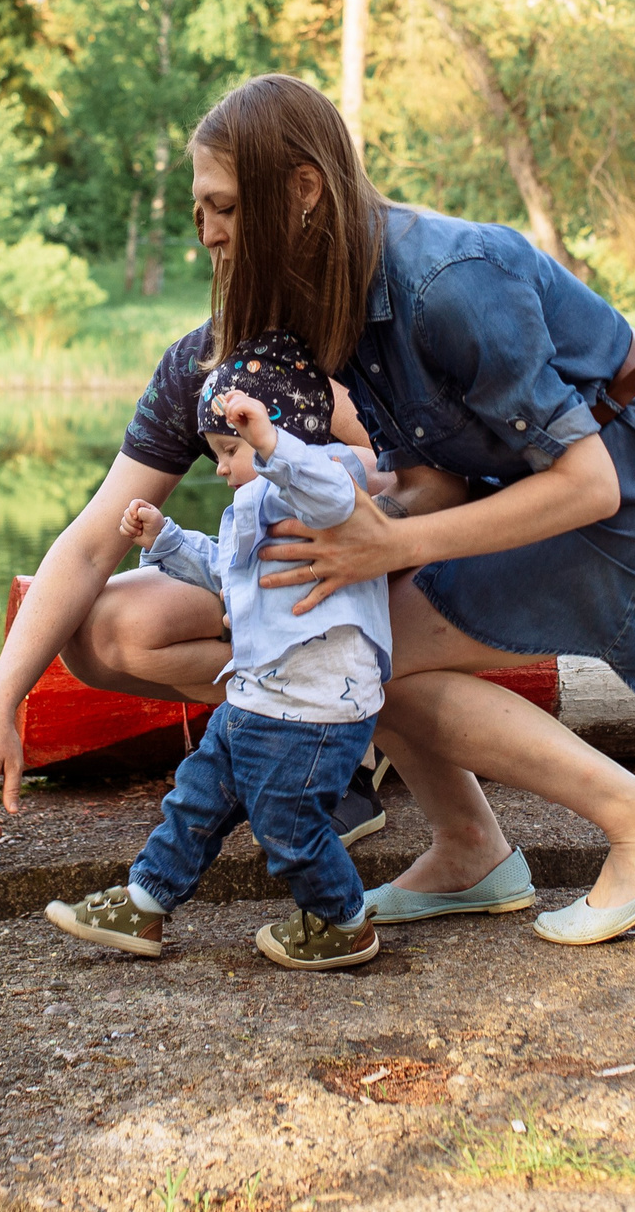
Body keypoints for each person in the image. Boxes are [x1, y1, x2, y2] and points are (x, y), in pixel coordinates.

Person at [0, 74, 635, 946]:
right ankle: (469, 849)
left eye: (223, 207)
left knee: (367, 659)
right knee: (362, 648)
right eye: (198, 212)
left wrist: (383, 543)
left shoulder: (446, 280)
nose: (209, 234)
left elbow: (589, 483)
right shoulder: (334, 306)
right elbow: (434, 481)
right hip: (573, 493)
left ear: (301, 190)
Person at [42, 333, 397, 969]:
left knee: (288, 833)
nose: (220, 465)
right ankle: (145, 905)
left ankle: (345, 921)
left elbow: (328, 488)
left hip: (313, 710)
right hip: (256, 697)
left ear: (273, 433)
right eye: (218, 452)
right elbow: (226, 571)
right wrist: (167, 538)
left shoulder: (325, 484)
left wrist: (268, 444)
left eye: (229, 450)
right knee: (195, 801)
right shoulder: (252, 501)